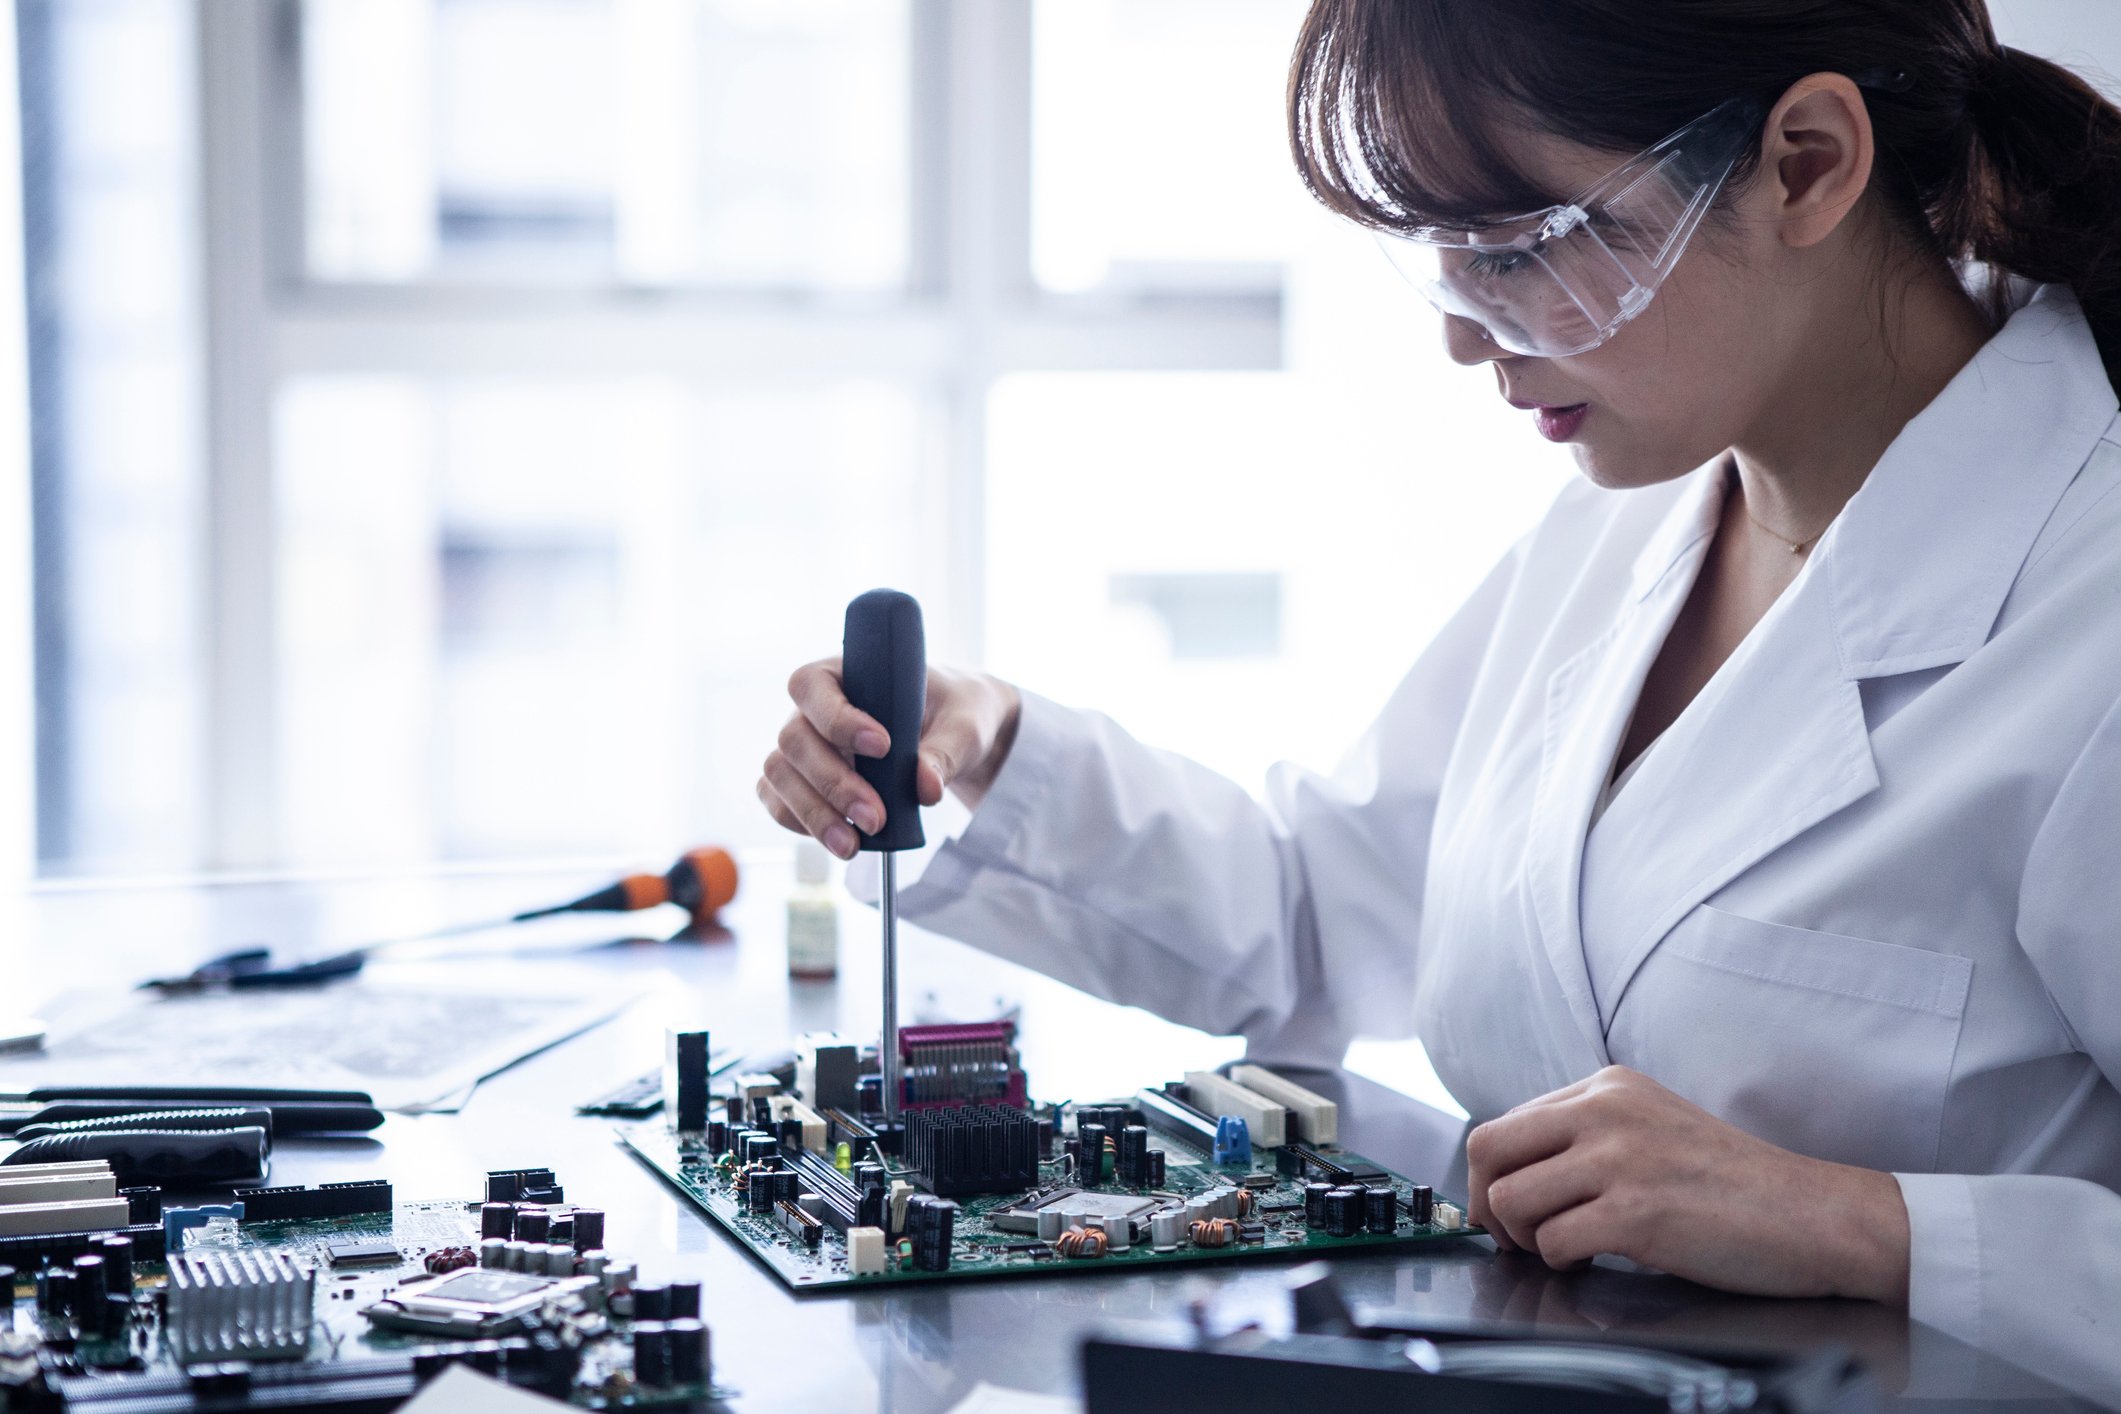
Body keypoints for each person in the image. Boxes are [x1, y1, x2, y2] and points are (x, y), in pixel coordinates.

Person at [760, 0, 2121, 1389]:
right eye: (1443, 260)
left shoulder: (2089, 612)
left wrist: (1868, 1223)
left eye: (1520, 247)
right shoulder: (1629, 520)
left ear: (1805, 164)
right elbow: (1318, 914)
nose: (1470, 340)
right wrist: (991, 753)